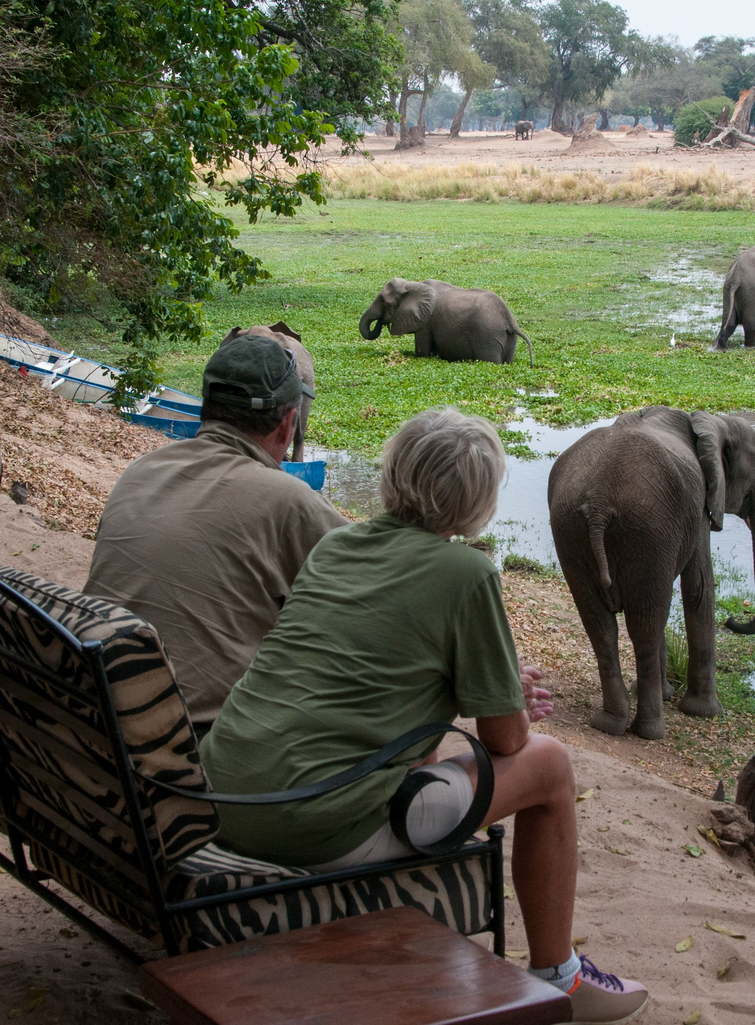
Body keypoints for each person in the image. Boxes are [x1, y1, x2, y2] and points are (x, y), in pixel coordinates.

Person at [199, 408, 649, 1025]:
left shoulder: (337, 545)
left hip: (228, 794)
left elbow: (362, 670)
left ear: (394, 471)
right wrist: (498, 696)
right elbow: (507, 737)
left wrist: (474, 686)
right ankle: (559, 976)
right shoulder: (467, 573)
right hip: (317, 822)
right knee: (550, 764)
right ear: (478, 499)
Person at [84, 335, 347, 728]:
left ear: (206, 408)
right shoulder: (289, 501)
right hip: (196, 756)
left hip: (96, 720)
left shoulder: (141, 471)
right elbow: (382, 583)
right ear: (288, 424)